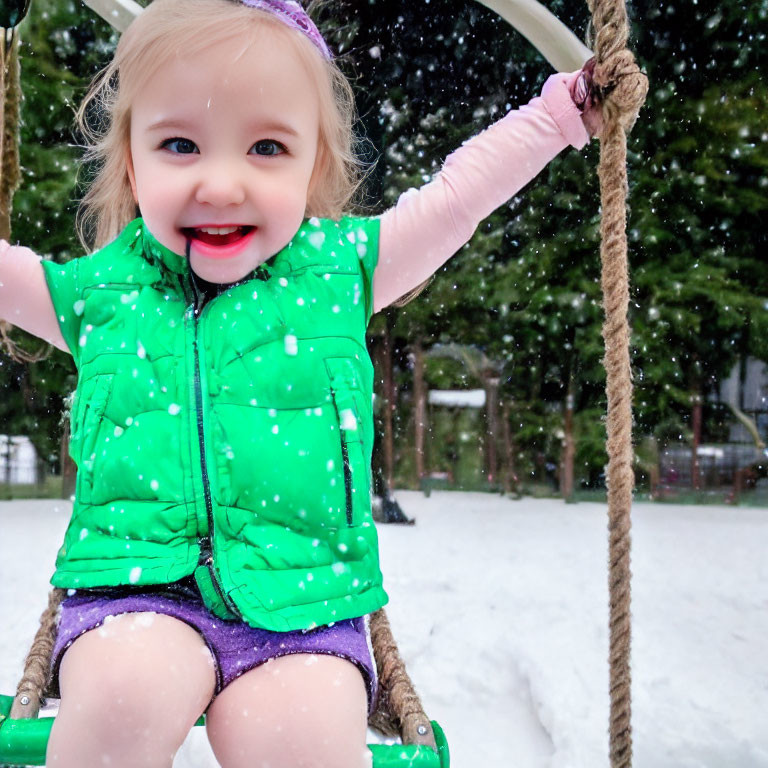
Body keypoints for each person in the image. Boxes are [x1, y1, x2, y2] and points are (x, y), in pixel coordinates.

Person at [0, 0, 602, 765]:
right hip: (134, 591)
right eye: (180, 145)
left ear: (313, 163)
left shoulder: (342, 271)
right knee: (118, 708)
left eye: (266, 147)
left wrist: (559, 118)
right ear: (131, 162)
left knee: (301, 744)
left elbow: (458, 198)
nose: (221, 185)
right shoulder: (99, 296)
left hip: (306, 607)